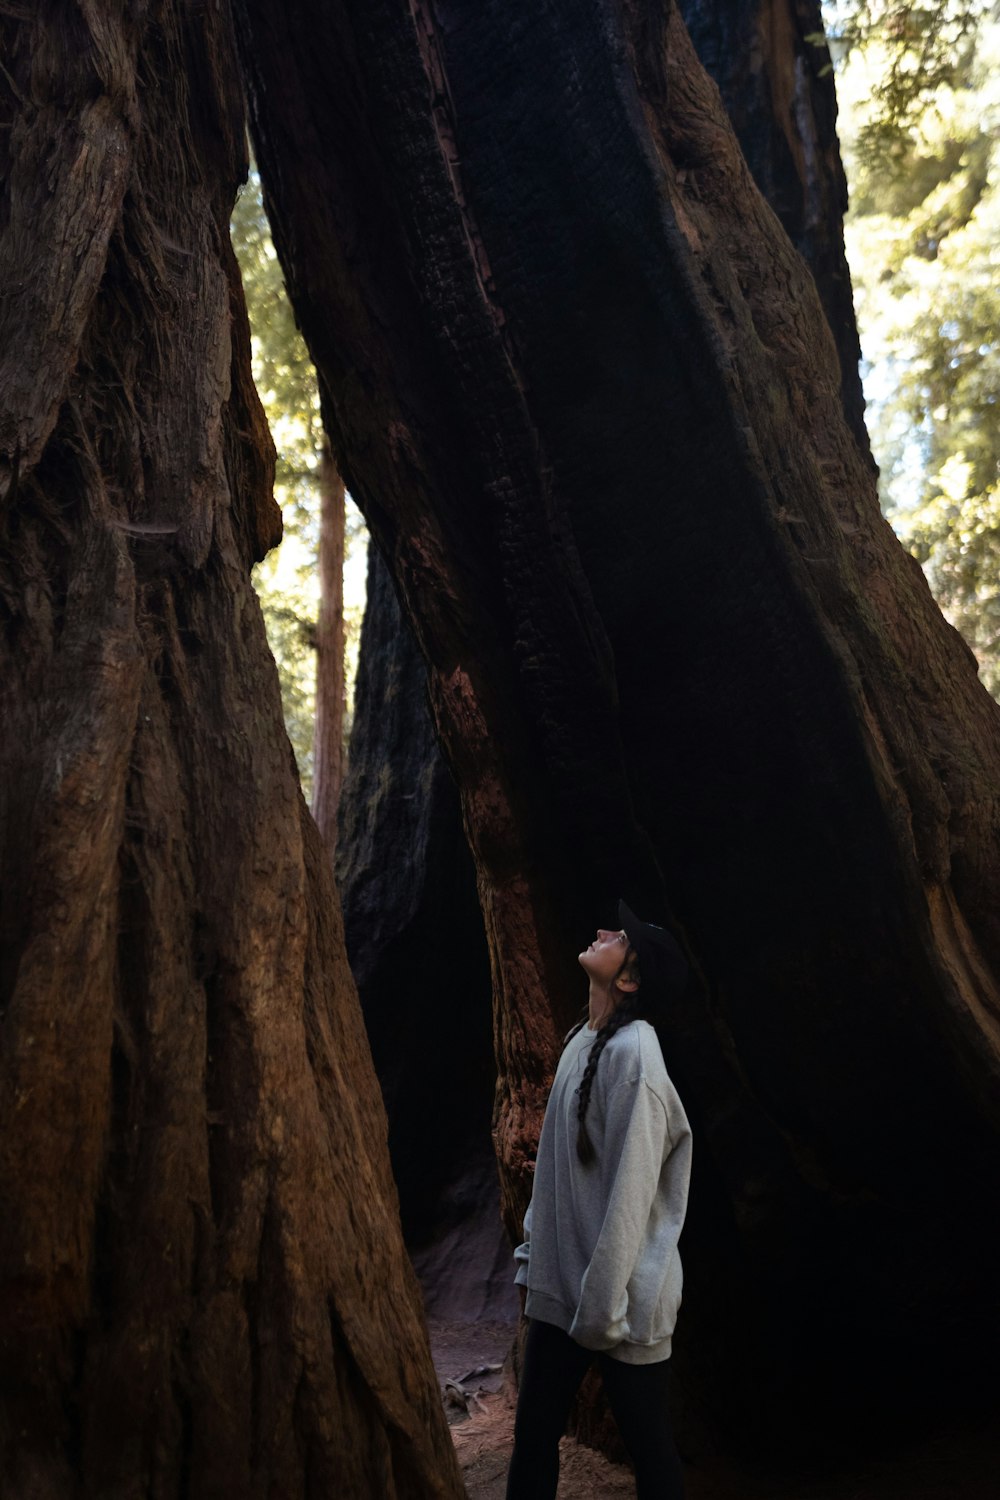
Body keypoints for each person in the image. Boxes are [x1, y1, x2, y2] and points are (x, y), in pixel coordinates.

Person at [505, 899, 692, 1500]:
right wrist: (538, 1262)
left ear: (630, 978)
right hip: (565, 1298)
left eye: (620, 936)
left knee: (651, 1453)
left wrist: (600, 1309)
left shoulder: (637, 1060)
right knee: (532, 1442)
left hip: (623, 1305)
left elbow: (631, 1201)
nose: (604, 930)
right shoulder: (580, 1042)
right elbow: (555, 1176)